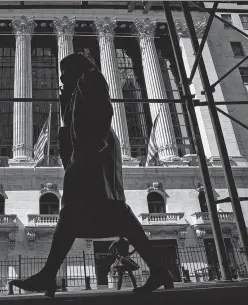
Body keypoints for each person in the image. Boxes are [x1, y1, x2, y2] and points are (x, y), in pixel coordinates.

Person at [10, 54, 173, 297]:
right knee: (115, 214)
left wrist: (88, 152)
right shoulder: (78, 88)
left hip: (93, 153)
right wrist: (66, 101)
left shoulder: (90, 78)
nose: (62, 78)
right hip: (92, 151)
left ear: (77, 68)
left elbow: (102, 113)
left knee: (75, 212)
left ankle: (47, 274)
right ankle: (159, 270)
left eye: (65, 72)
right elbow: (75, 125)